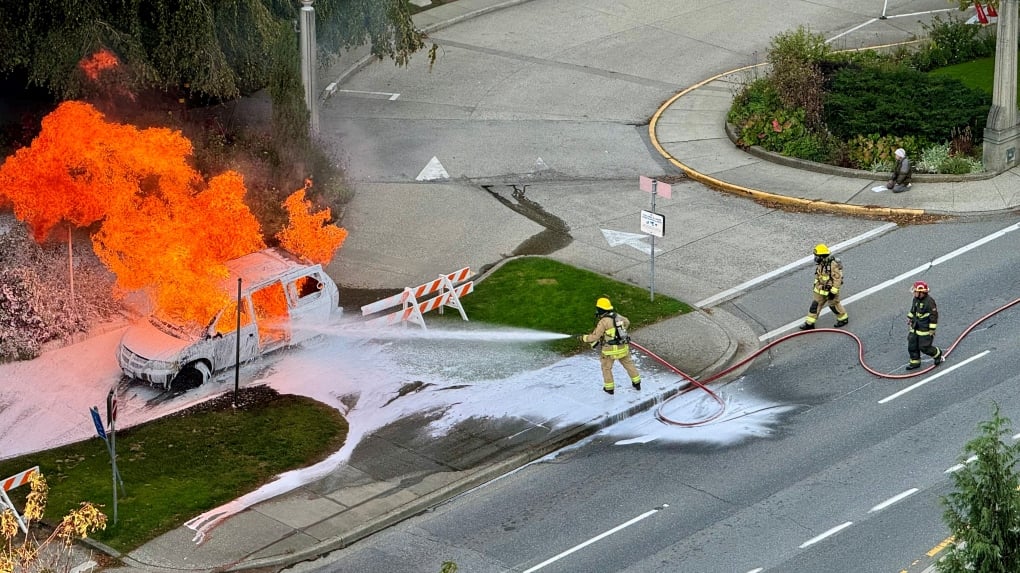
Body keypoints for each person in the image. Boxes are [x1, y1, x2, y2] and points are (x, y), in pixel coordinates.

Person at [580, 297, 641, 395]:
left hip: (609, 351)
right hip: (623, 348)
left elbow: (595, 337)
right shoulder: (617, 316)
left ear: (600, 310)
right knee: (629, 364)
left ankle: (609, 389)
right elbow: (627, 322)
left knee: (606, 368)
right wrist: (620, 331)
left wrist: (584, 338)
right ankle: (637, 383)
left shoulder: (603, 322)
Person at [799, 243, 849, 330]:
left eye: (817, 256)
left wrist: (833, 292)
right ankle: (809, 323)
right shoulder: (821, 264)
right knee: (815, 305)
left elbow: (837, 279)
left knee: (833, 305)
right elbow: (819, 276)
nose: (815, 258)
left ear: (822, 256)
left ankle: (843, 319)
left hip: (830, 291)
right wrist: (816, 286)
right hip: (821, 290)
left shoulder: (832, 265)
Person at [906, 280, 943, 370]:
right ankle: (915, 362)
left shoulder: (929, 302)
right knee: (912, 345)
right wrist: (910, 318)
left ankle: (937, 354)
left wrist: (932, 329)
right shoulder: (915, 299)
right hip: (915, 326)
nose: (914, 293)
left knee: (924, 347)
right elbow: (913, 310)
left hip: (925, 329)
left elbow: (934, 316)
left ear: (921, 292)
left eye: (915, 291)